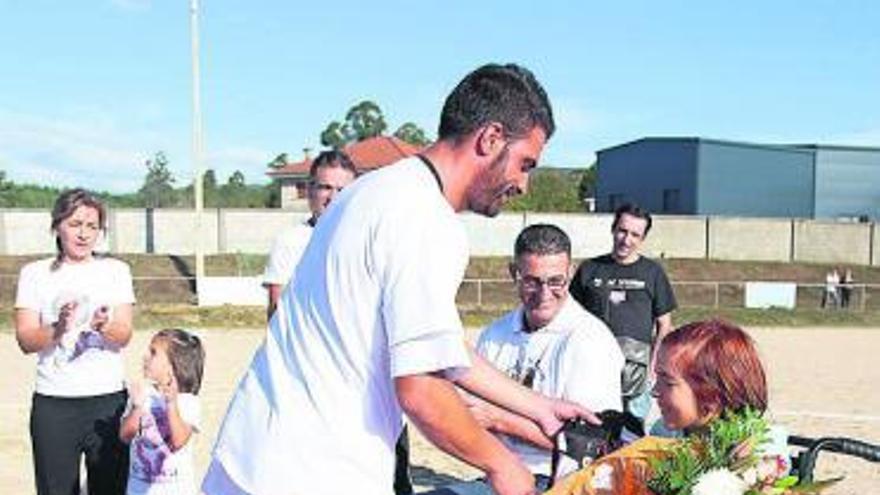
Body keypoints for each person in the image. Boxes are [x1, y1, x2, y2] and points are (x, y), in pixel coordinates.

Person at [202, 63, 592, 495]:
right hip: (314, 471)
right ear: (490, 138)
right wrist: (503, 466)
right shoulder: (427, 221)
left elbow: (435, 344)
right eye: (525, 164)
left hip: (253, 456)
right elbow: (421, 388)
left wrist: (538, 406)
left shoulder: (373, 191)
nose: (523, 183)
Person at [428, 224, 623, 494]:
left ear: (570, 273)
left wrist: (499, 420)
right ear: (513, 274)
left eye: (556, 281)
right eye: (532, 281)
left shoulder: (590, 340)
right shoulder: (495, 334)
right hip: (496, 473)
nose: (544, 294)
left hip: (556, 481)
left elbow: (594, 444)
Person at [546, 319, 775, 495]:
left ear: (711, 396)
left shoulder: (761, 460)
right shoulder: (661, 437)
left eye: (668, 381)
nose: (655, 391)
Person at [15, 188, 135, 495]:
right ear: (57, 226)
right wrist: (58, 328)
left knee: (110, 488)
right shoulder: (34, 274)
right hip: (54, 404)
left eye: (91, 226)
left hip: (108, 401)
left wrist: (103, 326)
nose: (83, 234)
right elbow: (26, 339)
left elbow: (124, 335)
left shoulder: (116, 271)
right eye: (74, 224)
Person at [569, 203, 677, 423]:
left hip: (636, 372)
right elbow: (570, 317)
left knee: (631, 432)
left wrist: (653, 369)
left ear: (642, 239)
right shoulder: (589, 269)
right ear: (613, 229)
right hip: (593, 366)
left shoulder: (653, 273)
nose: (626, 239)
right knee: (593, 426)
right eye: (622, 231)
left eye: (635, 234)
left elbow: (664, 325)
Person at [262, 149, 357, 319]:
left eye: (342, 190)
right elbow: (277, 312)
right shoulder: (289, 242)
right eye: (325, 188)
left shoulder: (368, 241)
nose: (333, 197)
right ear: (309, 190)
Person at [120, 328, 205, 495]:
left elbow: (179, 441)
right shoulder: (143, 394)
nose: (145, 357)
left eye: (153, 353)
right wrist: (137, 408)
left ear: (174, 365)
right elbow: (125, 436)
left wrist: (171, 403)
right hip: (138, 490)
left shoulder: (187, 401)